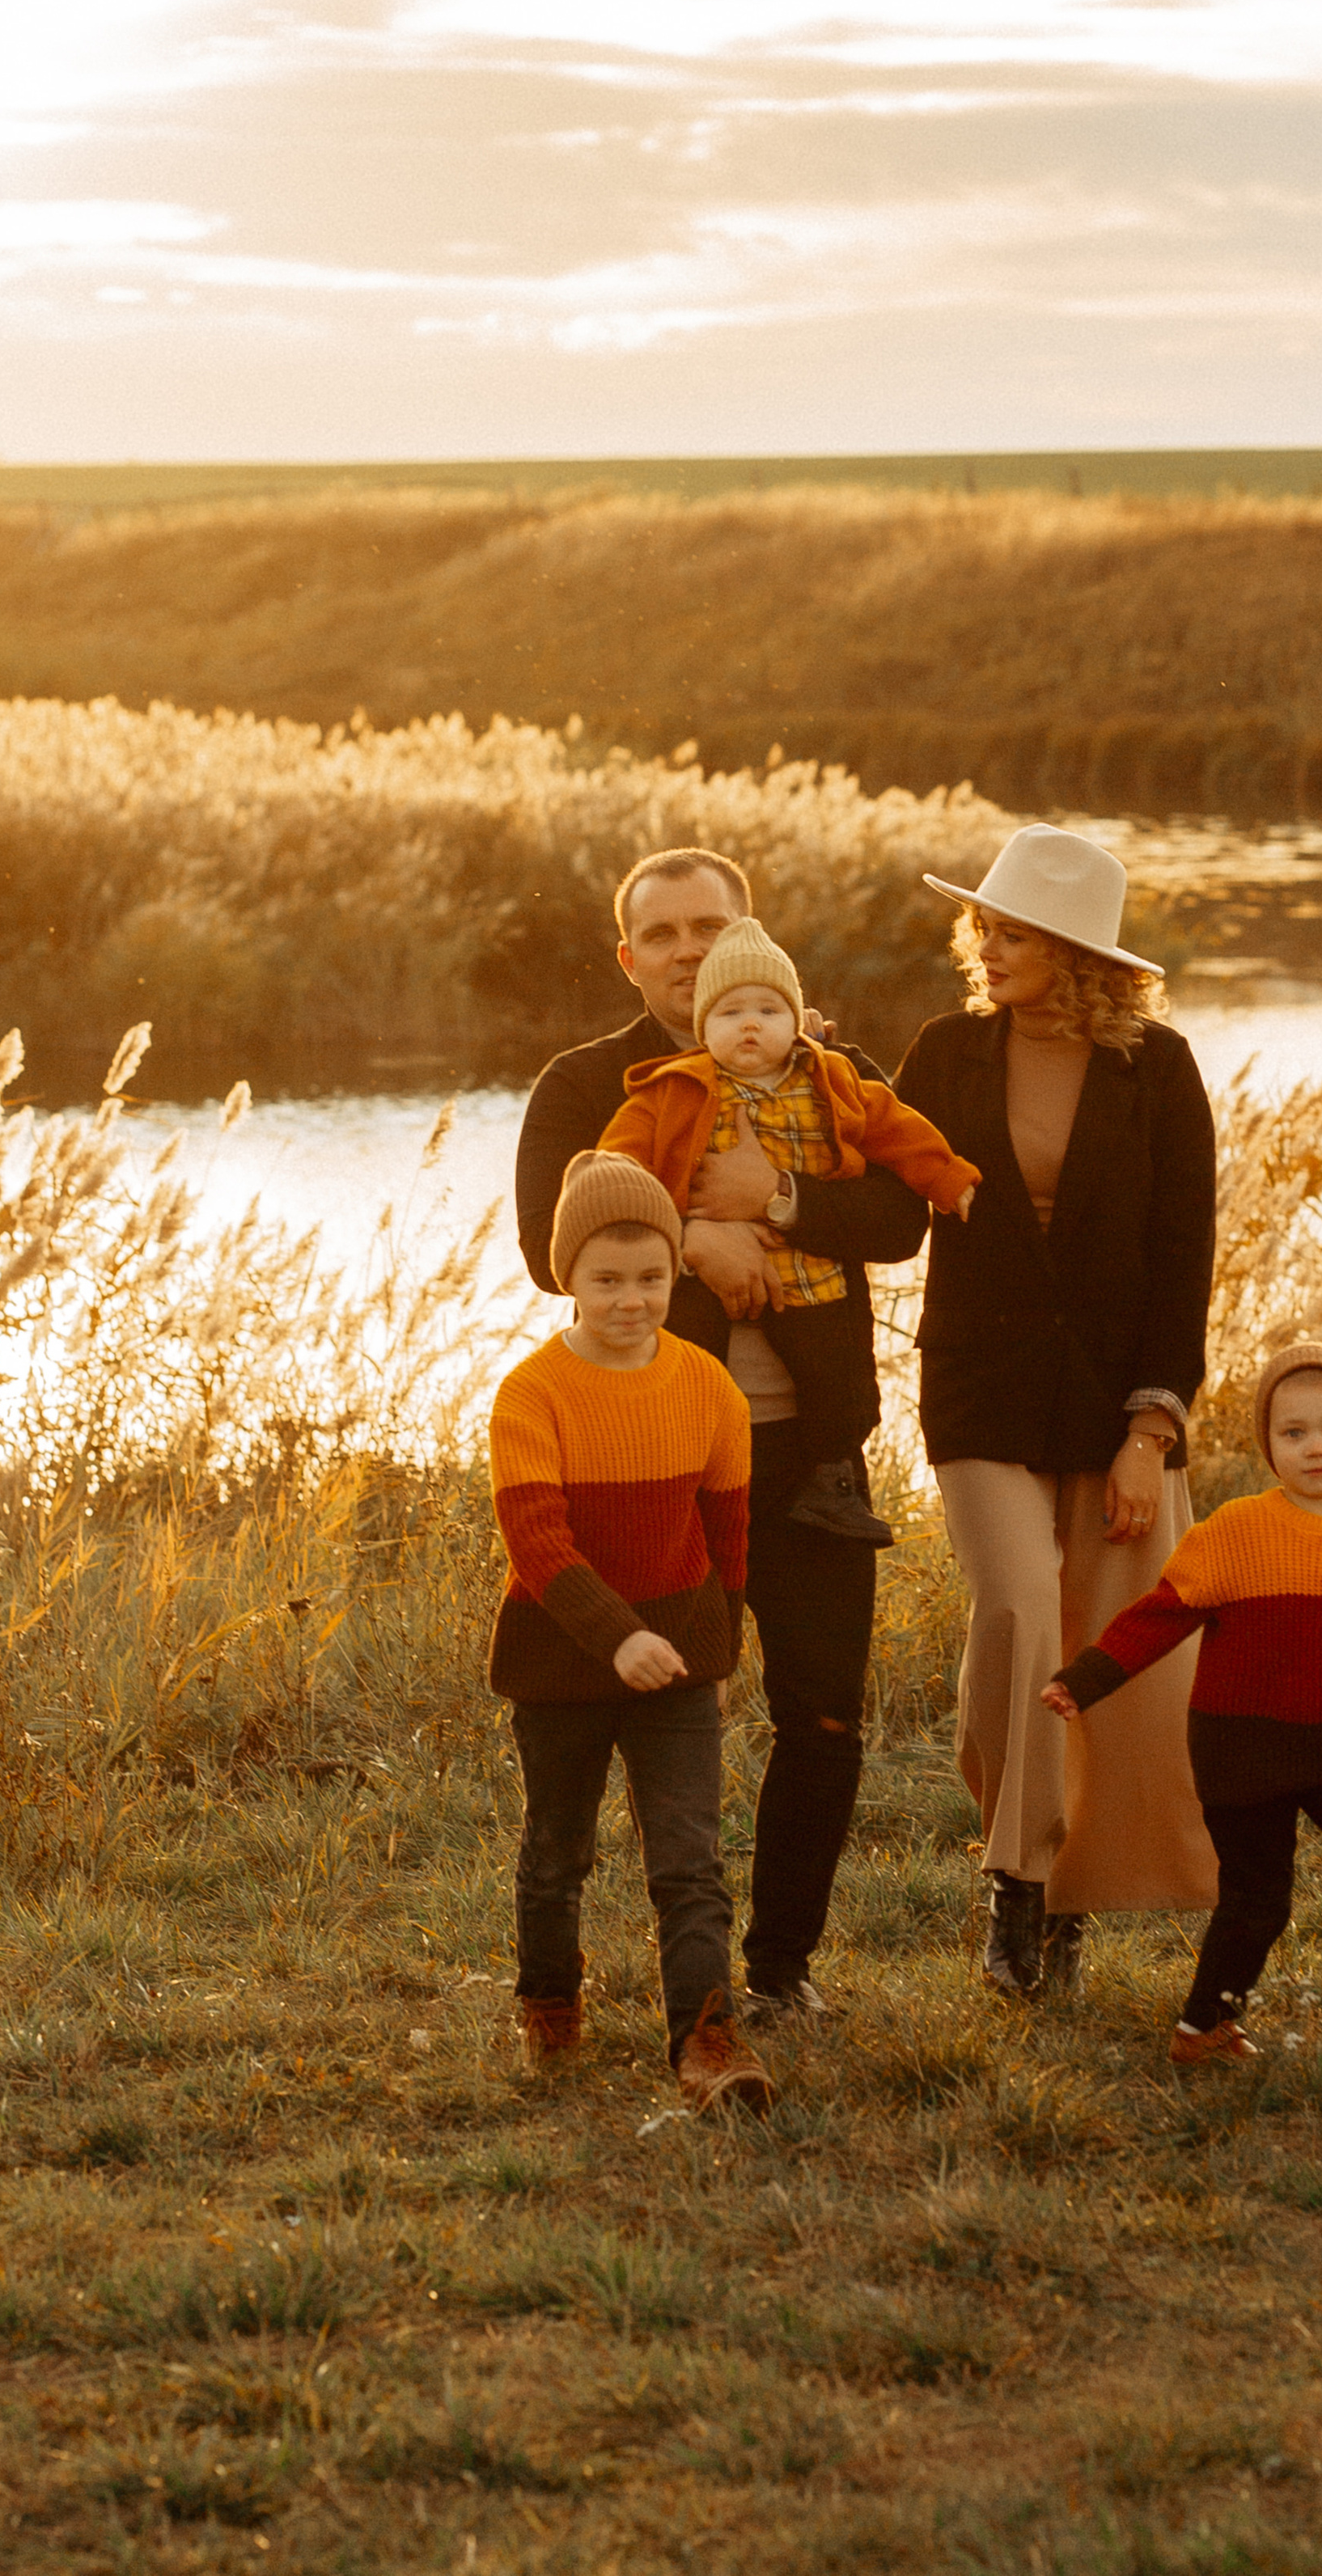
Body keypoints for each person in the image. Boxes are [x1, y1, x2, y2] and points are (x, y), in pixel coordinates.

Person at [512, 848, 930, 2024]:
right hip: (649, 1458)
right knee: (639, 1709)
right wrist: (691, 1232)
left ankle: (781, 1969)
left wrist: (780, 1199)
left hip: (810, 1455)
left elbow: (902, 1215)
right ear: (628, 956)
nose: (689, 952)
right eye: (664, 934)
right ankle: (606, 1971)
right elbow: (544, 1243)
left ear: (755, 938)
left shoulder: (831, 1068)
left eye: (711, 928)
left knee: (823, 1712)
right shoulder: (584, 1082)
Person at [893, 823, 1219, 1998]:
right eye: (983, 926)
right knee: (1019, 1612)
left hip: (1112, 1403)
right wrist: (789, 1118)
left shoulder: (1159, 1070)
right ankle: (1018, 1882)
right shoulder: (944, 1053)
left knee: (1110, 1652)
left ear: (1078, 956)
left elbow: (1183, 1260)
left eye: (1013, 935)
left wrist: (1151, 1432)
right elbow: (880, 1202)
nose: (985, 948)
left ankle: (1074, 1895)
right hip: (977, 1388)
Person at [1041, 1340, 1322, 2066]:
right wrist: (1084, 1681)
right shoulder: (1235, 1532)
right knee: (1260, 1898)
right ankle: (1203, 2027)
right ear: (1268, 1444)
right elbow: (1160, 1617)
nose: (1316, 1448)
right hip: (1239, 1746)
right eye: (1293, 1433)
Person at [485, 1148, 773, 2112]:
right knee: (557, 1852)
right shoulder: (531, 1393)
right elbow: (537, 1543)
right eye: (607, 1280)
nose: (631, 1300)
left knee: (689, 1862)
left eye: (650, 1277)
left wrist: (718, 1654)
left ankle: (706, 2042)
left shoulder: (709, 1387)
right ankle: (549, 2003)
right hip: (560, 1661)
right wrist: (616, 1638)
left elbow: (728, 1539)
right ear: (569, 1278)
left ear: (676, 1271)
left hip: (678, 1664)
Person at [598, 916, 980, 1546]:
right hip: (704, 1289)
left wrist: (948, 1177)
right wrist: (680, 1234)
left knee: (838, 1374)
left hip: (808, 1272)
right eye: (730, 1014)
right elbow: (610, 1174)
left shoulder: (835, 1077)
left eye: (768, 1011)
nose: (750, 1025)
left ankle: (830, 1482)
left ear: (798, 1020)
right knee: (689, 1362)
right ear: (704, 1028)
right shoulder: (673, 1089)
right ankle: (675, 1475)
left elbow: (899, 1133)